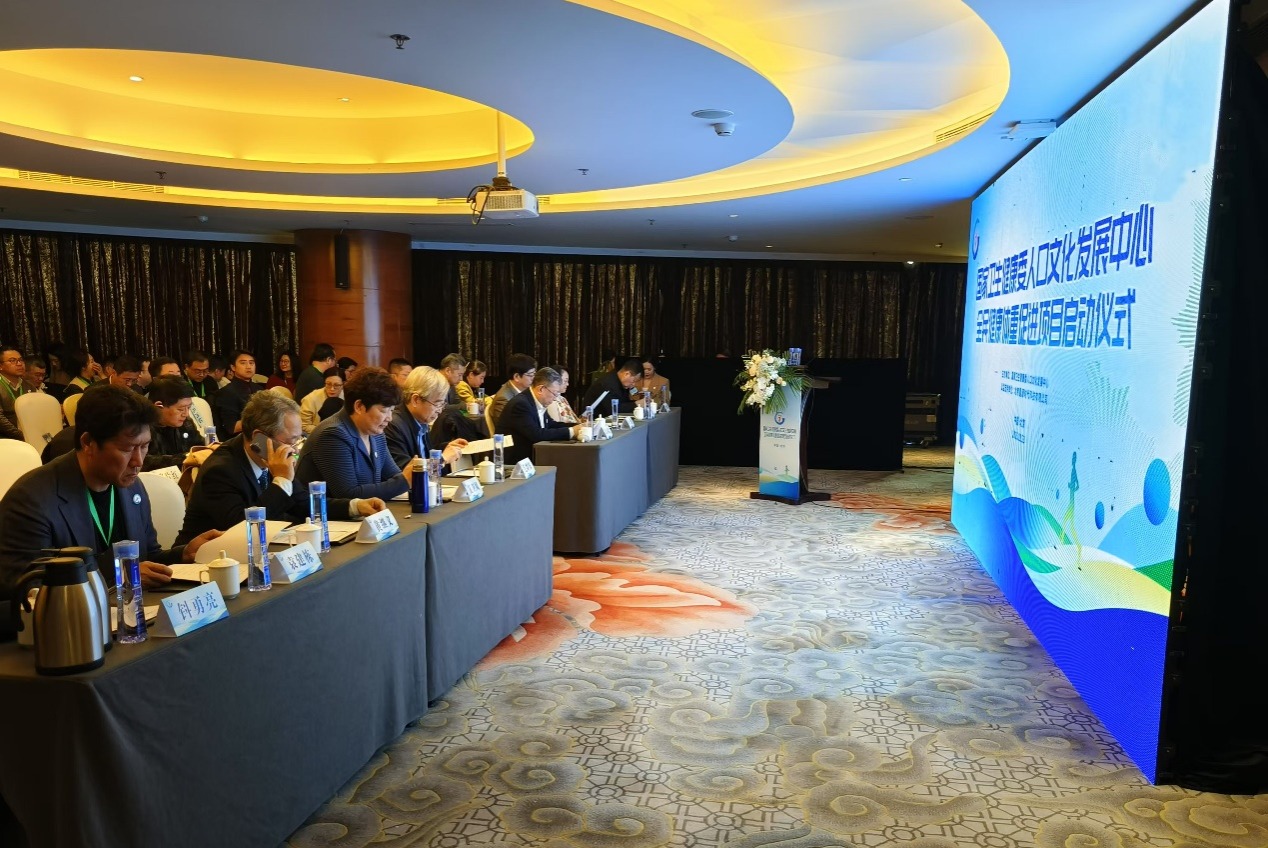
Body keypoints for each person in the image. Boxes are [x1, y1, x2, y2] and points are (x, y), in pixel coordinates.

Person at [0, 383, 222, 608]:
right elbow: (29, 592)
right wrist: (121, 574)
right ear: (88, 443)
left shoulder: (131, 486)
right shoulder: (32, 500)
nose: (138, 461)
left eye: (144, 446)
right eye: (127, 449)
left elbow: (147, 557)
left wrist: (183, 554)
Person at [175, 391, 385, 546]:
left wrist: (356, 506)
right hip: (204, 563)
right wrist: (281, 481)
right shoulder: (221, 470)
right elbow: (243, 528)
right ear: (259, 438)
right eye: (290, 441)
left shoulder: (271, 459)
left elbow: (303, 504)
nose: (295, 450)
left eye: (298, 440)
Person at [296, 366, 412, 500]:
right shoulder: (333, 434)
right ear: (359, 406)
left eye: (392, 410)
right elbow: (348, 494)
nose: (389, 418)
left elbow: (393, 474)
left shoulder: (375, 432)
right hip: (320, 512)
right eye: (384, 411)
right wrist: (405, 481)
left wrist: (410, 476)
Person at [384, 366, 469, 471]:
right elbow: (406, 472)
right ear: (416, 400)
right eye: (437, 404)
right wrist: (442, 459)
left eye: (442, 404)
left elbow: (424, 455)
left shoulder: (420, 420)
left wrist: (445, 448)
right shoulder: (393, 425)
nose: (440, 410)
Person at [498, 368, 581, 465]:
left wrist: (577, 426)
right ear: (541, 389)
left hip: (535, 454)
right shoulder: (520, 404)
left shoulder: (537, 401)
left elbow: (550, 424)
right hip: (518, 462)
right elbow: (536, 434)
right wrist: (571, 431)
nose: (555, 398)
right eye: (555, 393)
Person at [141, 376, 214, 474]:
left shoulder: (185, 422)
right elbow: (145, 462)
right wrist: (185, 458)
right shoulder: (141, 427)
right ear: (158, 406)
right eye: (181, 409)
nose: (186, 414)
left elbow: (199, 445)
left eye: (189, 407)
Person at [212, 349, 263, 435]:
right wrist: (261, 419)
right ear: (233, 367)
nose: (248, 366)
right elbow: (231, 427)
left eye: (251, 363)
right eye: (243, 363)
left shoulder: (259, 389)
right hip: (239, 438)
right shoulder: (227, 392)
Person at [489, 352, 536, 431]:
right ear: (516, 377)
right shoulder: (504, 398)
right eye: (530, 375)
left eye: (534, 374)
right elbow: (506, 429)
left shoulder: (526, 391)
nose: (533, 378)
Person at [299, 366, 344, 434]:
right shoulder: (311, 399)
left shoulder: (347, 397)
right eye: (328, 384)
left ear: (343, 385)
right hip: (317, 434)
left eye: (336, 385)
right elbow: (304, 425)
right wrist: (326, 431)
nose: (332, 389)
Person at [0, 346, 29, 440]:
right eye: (12, 360)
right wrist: (23, 436)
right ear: (0, 366)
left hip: (29, 434)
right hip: (6, 439)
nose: (19, 364)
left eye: (21, 360)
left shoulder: (29, 386)